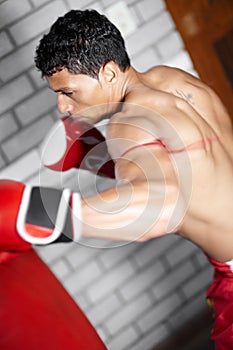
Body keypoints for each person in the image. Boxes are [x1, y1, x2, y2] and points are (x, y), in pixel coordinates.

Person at [1, 9, 233, 349]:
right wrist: (93, 157)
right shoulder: (173, 81)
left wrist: (33, 212)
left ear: (109, 72)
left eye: (68, 92)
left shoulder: (129, 124)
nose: (63, 107)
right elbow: (194, 168)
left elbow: (156, 208)